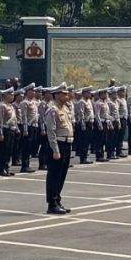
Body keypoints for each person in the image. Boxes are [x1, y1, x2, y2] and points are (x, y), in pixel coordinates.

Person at [45, 83, 74, 215]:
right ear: (56, 95)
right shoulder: (52, 110)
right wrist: (55, 150)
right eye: (64, 94)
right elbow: (51, 131)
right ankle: (52, 203)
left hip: (67, 144)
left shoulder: (65, 108)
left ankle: (57, 200)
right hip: (58, 145)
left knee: (62, 175)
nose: (67, 95)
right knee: (54, 175)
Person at [0, 88, 18, 176]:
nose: (13, 96)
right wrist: (0, 132)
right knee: (3, 150)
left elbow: (15, 119)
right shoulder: (1, 105)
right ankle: (1, 169)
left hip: (12, 130)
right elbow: (0, 120)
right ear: (6, 95)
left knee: (9, 150)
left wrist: (16, 128)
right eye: (11, 94)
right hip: (5, 130)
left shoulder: (11, 106)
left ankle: (6, 167)